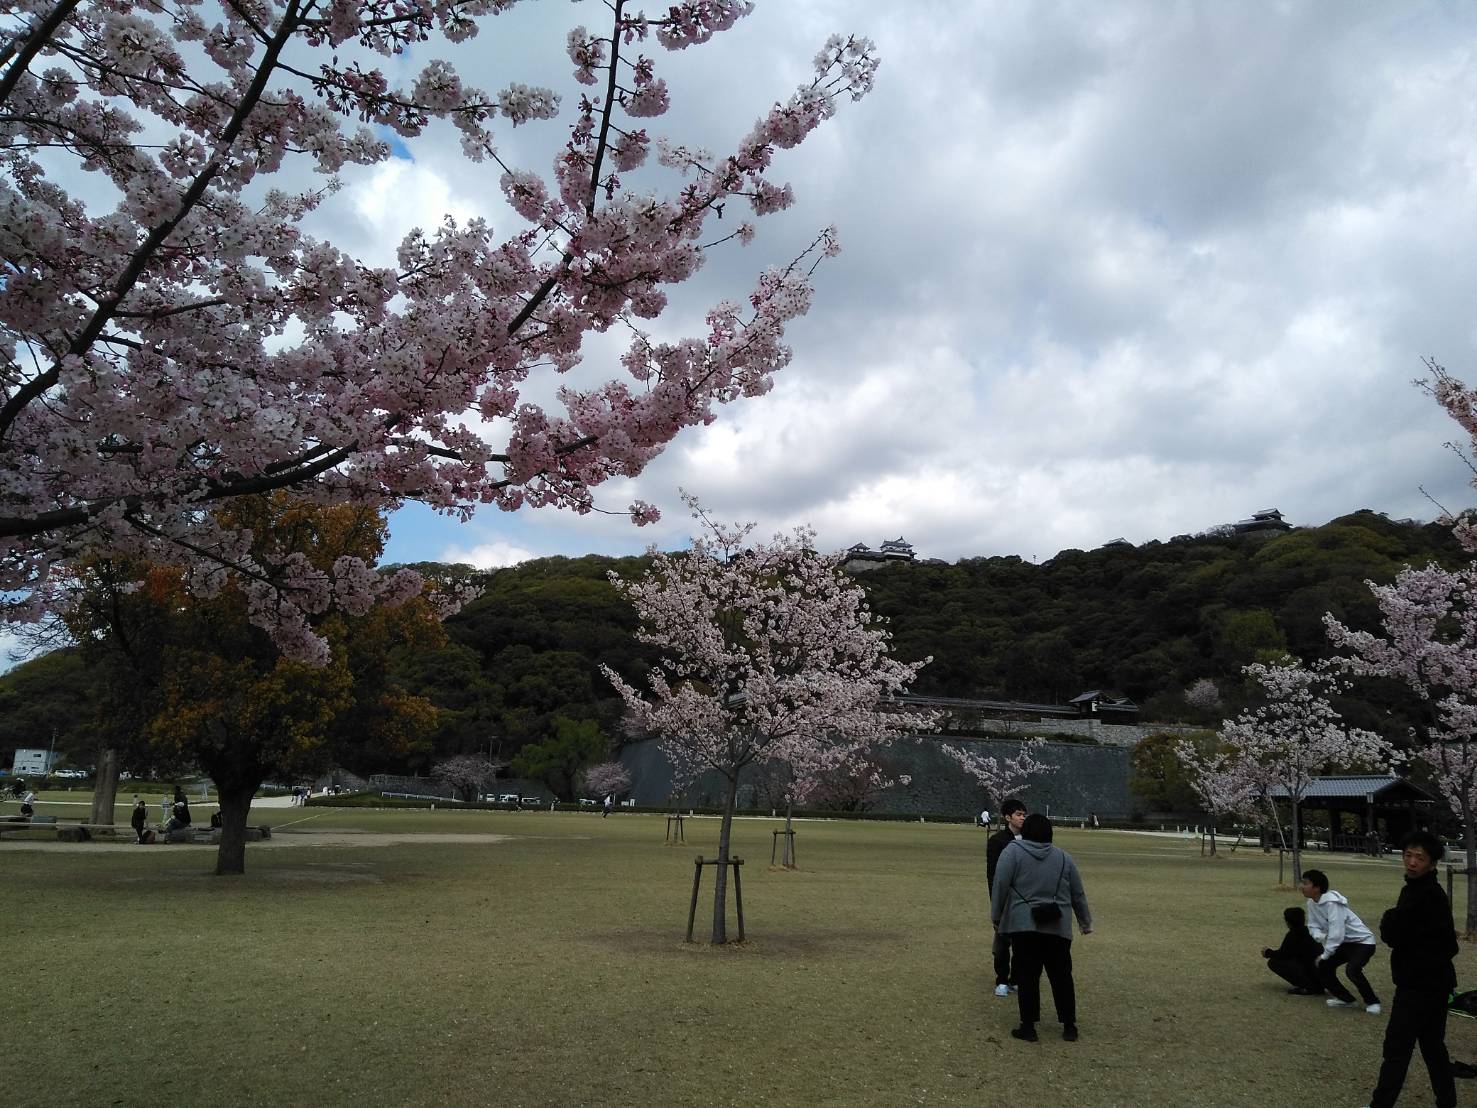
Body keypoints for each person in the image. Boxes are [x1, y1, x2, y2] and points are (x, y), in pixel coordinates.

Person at [1363, 830, 1458, 1108]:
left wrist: (1389, 919)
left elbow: (1394, 932)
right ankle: (1447, 1102)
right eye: (1408, 855)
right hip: (1434, 984)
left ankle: (1381, 1104)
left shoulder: (1425, 894)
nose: (1412, 862)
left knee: (1397, 1047)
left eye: (1420, 857)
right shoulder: (1420, 890)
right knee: (1432, 1047)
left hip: (1420, 985)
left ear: (1432, 862)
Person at [990, 812, 1092, 1043]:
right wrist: (1085, 922)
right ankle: (1069, 1026)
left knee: (1027, 977)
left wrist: (996, 916)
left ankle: (1028, 1027)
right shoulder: (1065, 858)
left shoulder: (1012, 853)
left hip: (1023, 926)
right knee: (1062, 976)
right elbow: (1077, 892)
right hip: (1057, 927)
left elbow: (1000, 885)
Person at [1302, 868, 1381, 1014]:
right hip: (1344, 943)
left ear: (1317, 887)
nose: (1302, 886)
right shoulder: (1311, 903)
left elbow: (1337, 933)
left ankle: (1373, 1002)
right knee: (1323, 967)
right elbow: (1313, 925)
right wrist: (1318, 935)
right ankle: (1346, 999)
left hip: (1363, 942)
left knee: (1352, 970)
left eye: (1306, 883)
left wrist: (1325, 954)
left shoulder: (1333, 903)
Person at [986, 798, 1028, 998]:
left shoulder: (1030, 839)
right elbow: (992, 874)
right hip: (1005, 899)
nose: (1022, 818)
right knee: (1002, 941)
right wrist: (996, 901)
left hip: (1025, 899)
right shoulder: (997, 841)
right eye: (1019, 814)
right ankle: (1001, 979)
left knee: (1023, 942)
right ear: (1007, 817)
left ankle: (1017, 979)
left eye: (1023, 814)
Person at [1262, 905, 1323, 995]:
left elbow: (1283, 955)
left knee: (1274, 962)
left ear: (1287, 922)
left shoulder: (1294, 934)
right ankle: (1314, 985)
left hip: (1310, 970)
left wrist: (1267, 952)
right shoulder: (1309, 931)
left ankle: (1308, 986)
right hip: (1320, 971)